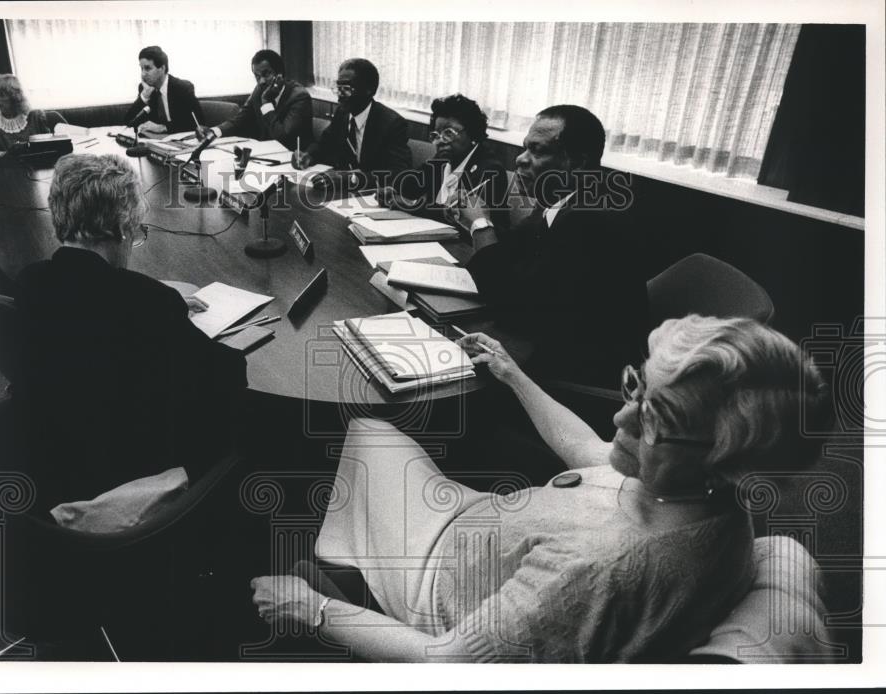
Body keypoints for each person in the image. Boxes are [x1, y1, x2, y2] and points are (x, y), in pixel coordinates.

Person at [250, 315, 831, 662]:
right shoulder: (705, 499)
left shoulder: (602, 568)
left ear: (725, 462)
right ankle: (345, 557)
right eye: (637, 390)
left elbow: (450, 663)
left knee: (365, 430)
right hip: (481, 526)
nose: (622, 421)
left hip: (438, 579)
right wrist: (511, 374)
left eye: (655, 421)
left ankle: (346, 586)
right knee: (368, 432)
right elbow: (590, 455)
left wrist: (312, 608)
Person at [13, 153, 247, 511]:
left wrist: (155, 295)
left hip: (51, 464)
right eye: (137, 231)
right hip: (124, 484)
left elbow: (95, 300)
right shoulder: (150, 304)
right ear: (122, 227)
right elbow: (227, 378)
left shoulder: (30, 281)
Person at [460, 104, 647, 388]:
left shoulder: (590, 219)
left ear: (577, 162)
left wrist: (480, 224)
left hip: (577, 378)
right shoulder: (561, 199)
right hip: (548, 344)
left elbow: (511, 302)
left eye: (537, 150)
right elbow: (514, 250)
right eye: (525, 148)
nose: (520, 160)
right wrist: (480, 219)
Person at [378, 93, 509, 231]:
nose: (440, 141)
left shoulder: (489, 170)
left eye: (449, 133)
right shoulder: (442, 159)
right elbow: (412, 185)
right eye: (436, 135)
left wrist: (410, 204)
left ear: (472, 132)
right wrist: (391, 190)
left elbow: (455, 215)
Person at [292, 58, 411, 187]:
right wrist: (308, 155)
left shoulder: (392, 124)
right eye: (338, 88)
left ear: (369, 90)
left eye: (347, 89)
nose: (340, 95)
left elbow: (397, 173)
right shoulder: (342, 113)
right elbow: (324, 144)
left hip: (372, 195)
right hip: (339, 193)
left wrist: (352, 178)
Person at [206, 49, 313, 151]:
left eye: (266, 74)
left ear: (280, 74)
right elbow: (239, 121)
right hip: (266, 156)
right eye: (257, 76)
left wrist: (266, 103)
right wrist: (213, 132)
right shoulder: (259, 91)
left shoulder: (299, 97)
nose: (261, 81)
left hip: (293, 160)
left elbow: (283, 138)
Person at [123, 45, 204, 135]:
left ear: (162, 68)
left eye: (147, 68)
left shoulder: (182, 88)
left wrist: (163, 127)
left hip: (180, 142)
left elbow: (198, 123)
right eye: (141, 69)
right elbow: (129, 122)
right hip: (156, 142)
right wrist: (144, 96)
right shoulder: (145, 89)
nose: (143, 74)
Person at [0, 73, 53, 161]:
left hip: (36, 164)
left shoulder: (35, 116)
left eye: (2, 95)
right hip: (6, 168)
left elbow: (49, 146)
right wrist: (9, 155)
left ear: (15, 97)